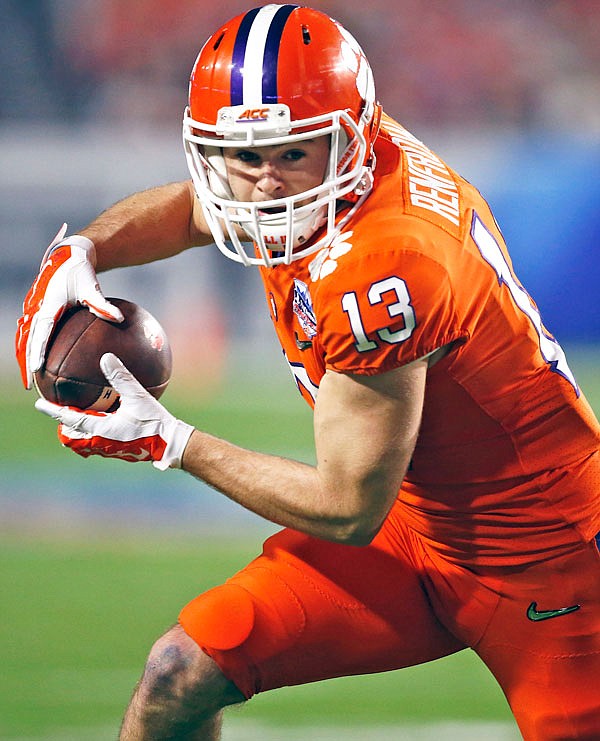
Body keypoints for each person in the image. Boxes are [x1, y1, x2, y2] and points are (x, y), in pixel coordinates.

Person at [15, 4, 600, 740]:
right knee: (178, 672)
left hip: (544, 557)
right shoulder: (334, 154)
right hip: (414, 526)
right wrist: (84, 252)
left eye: (291, 156)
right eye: (246, 157)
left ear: (347, 140)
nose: (267, 185)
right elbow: (202, 208)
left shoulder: (384, 264)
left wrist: (169, 440)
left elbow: (346, 507)